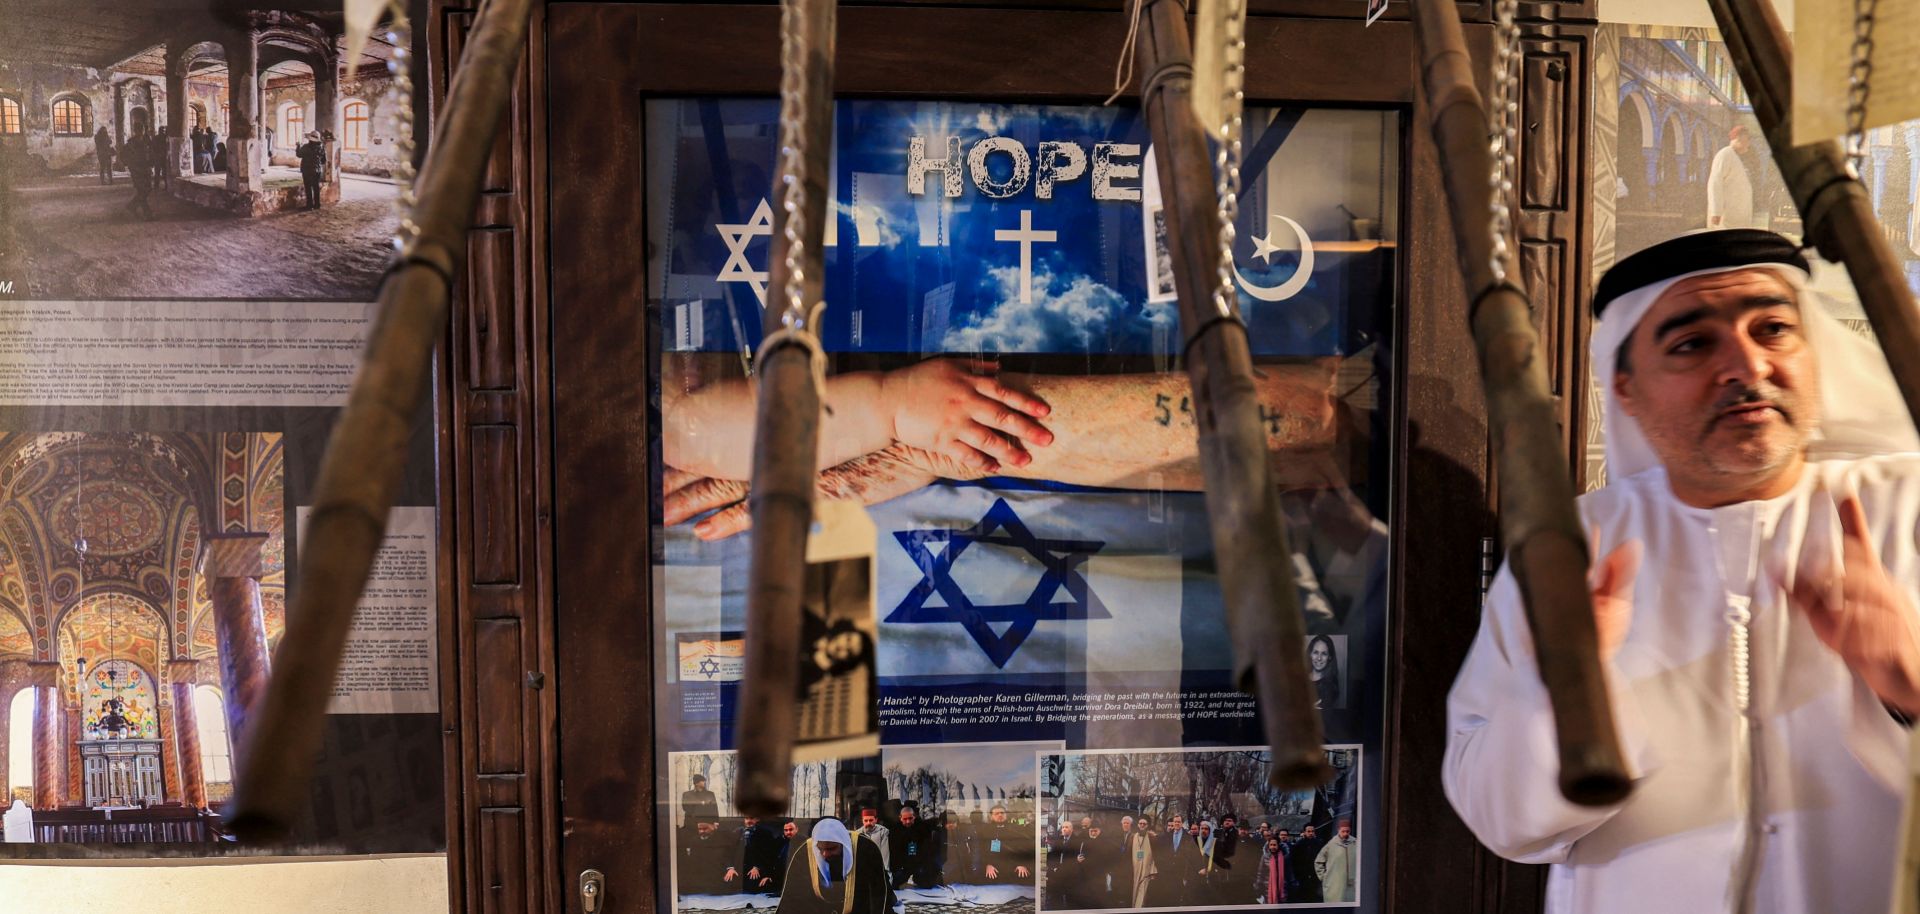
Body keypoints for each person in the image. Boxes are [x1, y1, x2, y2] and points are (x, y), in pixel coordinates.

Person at [1444, 229, 1920, 913]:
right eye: (1694, 344)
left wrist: (1909, 684)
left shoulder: (1906, 510)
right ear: (1627, 389)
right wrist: (1567, 697)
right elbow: (1500, 821)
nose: (1747, 367)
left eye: (1774, 330)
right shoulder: (1571, 544)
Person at [777, 819, 896, 914]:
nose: (825, 854)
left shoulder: (866, 849)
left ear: (844, 843)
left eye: (831, 849)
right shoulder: (804, 852)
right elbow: (792, 897)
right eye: (820, 849)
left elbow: (878, 896)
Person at [1707, 125, 1758, 230]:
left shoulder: (1733, 156)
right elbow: (1715, 183)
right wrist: (1716, 212)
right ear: (1740, 139)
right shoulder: (1725, 154)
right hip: (1726, 219)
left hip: (1736, 218)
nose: (1749, 144)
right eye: (1748, 140)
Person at [977, 804, 1033, 885]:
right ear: (991, 816)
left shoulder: (1016, 828)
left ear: (1006, 815)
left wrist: (1022, 864)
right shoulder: (985, 831)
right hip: (994, 866)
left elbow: (1023, 847)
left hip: (1014, 865)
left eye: (1002, 813)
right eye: (996, 814)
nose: (1000, 815)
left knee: (1026, 878)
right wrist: (988, 864)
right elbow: (982, 850)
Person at [888, 804, 941, 889]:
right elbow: (894, 853)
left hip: (919, 864)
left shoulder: (923, 828)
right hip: (903, 866)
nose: (908, 821)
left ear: (914, 817)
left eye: (910, 818)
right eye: (905, 819)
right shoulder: (894, 831)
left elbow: (927, 850)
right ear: (900, 818)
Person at [680, 817, 733, 895]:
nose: (701, 831)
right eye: (699, 829)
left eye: (705, 829)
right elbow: (692, 862)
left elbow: (728, 856)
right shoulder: (694, 841)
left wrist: (730, 868)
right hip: (700, 876)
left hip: (718, 875)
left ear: (712, 827)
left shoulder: (722, 839)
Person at [1313, 821, 1356, 903]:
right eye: (1343, 831)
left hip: (1352, 884)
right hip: (1334, 884)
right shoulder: (1331, 845)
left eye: (1347, 831)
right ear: (1338, 830)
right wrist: (1324, 877)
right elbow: (1318, 862)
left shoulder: (1355, 843)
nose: (1345, 834)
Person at [120, 124, 154, 220]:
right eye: (139, 130)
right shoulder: (131, 143)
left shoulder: (147, 141)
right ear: (135, 131)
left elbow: (150, 153)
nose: (141, 131)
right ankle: (148, 214)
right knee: (142, 191)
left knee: (147, 189)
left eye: (142, 129)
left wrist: (151, 163)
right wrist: (130, 165)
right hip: (137, 171)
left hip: (146, 170)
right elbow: (123, 155)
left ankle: (132, 206)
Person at [1126, 816, 1157, 908]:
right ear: (1138, 825)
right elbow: (1128, 853)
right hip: (1134, 869)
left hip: (1146, 870)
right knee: (1134, 891)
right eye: (1140, 824)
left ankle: (1138, 909)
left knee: (1142, 893)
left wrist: (1153, 870)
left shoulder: (1152, 837)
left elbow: (1156, 855)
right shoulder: (1132, 837)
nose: (1142, 825)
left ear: (1147, 825)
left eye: (1144, 824)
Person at [1288, 825, 1322, 903]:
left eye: (1312, 831)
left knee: (1314, 897)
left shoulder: (1319, 844)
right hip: (1302, 876)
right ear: (1304, 832)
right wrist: (1297, 875)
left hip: (1315, 875)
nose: (1310, 833)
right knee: (1303, 897)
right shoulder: (1299, 845)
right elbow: (1294, 861)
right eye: (1308, 831)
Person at [1308, 634, 1342, 709]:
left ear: (1329, 657)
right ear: (1310, 654)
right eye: (1315, 652)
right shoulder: (1298, 677)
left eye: (1324, 654)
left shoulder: (1330, 688)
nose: (1319, 658)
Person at [856, 807, 891, 876]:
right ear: (862, 821)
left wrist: (885, 871)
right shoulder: (857, 833)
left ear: (876, 820)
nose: (868, 823)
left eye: (871, 820)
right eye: (866, 820)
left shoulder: (883, 832)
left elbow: (885, 853)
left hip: (879, 867)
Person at [296, 130, 326, 209]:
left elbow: (299, 154)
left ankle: (309, 205)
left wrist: (298, 146)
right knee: (316, 188)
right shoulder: (322, 147)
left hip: (307, 170)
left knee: (308, 188)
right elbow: (323, 161)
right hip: (318, 171)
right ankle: (317, 204)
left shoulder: (306, 147)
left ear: (310, 139)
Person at [1254, 836, 1287, 904]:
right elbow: (1260, 873)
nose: (1272, 847)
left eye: (1274, 845)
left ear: (1278, 845)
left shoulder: (1285, 857)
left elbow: (1289, 873)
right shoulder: (1265, 857)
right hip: (1268, 888)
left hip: (1283, 888)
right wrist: (1258, 886)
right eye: (1271, 845)